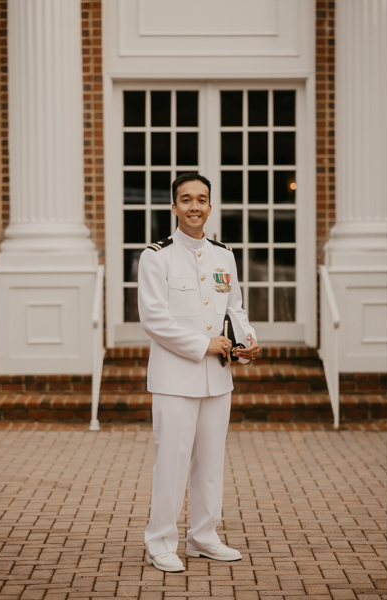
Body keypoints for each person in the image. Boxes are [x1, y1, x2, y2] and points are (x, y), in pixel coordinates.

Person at [138, 172, 260, 572]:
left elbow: (234, 309)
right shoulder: (156, 256)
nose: (194, 206)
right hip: (175, 379)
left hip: (217, 379)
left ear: (210, 206)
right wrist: (202, 345)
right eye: (186, 199)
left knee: (210, 462)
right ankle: (160, 542)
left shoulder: (224, 254)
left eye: (202, 199)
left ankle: (203, 537)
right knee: (171, 462)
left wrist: (246, 343)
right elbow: (153, 318)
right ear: (174, 207)